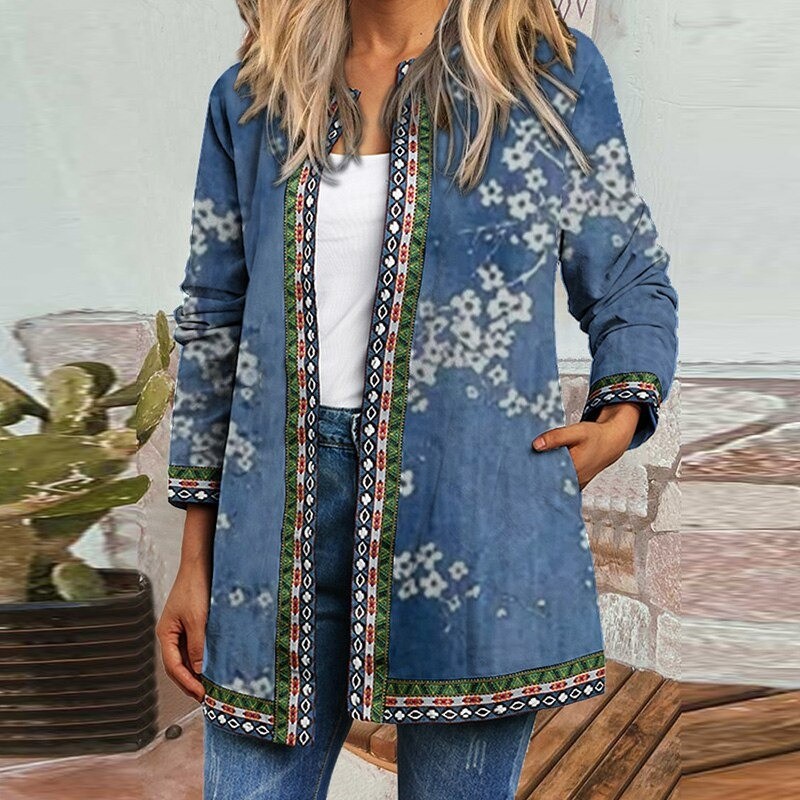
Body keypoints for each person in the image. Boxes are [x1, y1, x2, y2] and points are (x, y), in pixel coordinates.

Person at [157, 1, 679, 798]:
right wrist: (195, 559)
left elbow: (628, 270)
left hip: (470, 519)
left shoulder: (545, 76)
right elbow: (213, 318)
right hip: (273, 531)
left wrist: (621, 416)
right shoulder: (256, 94)